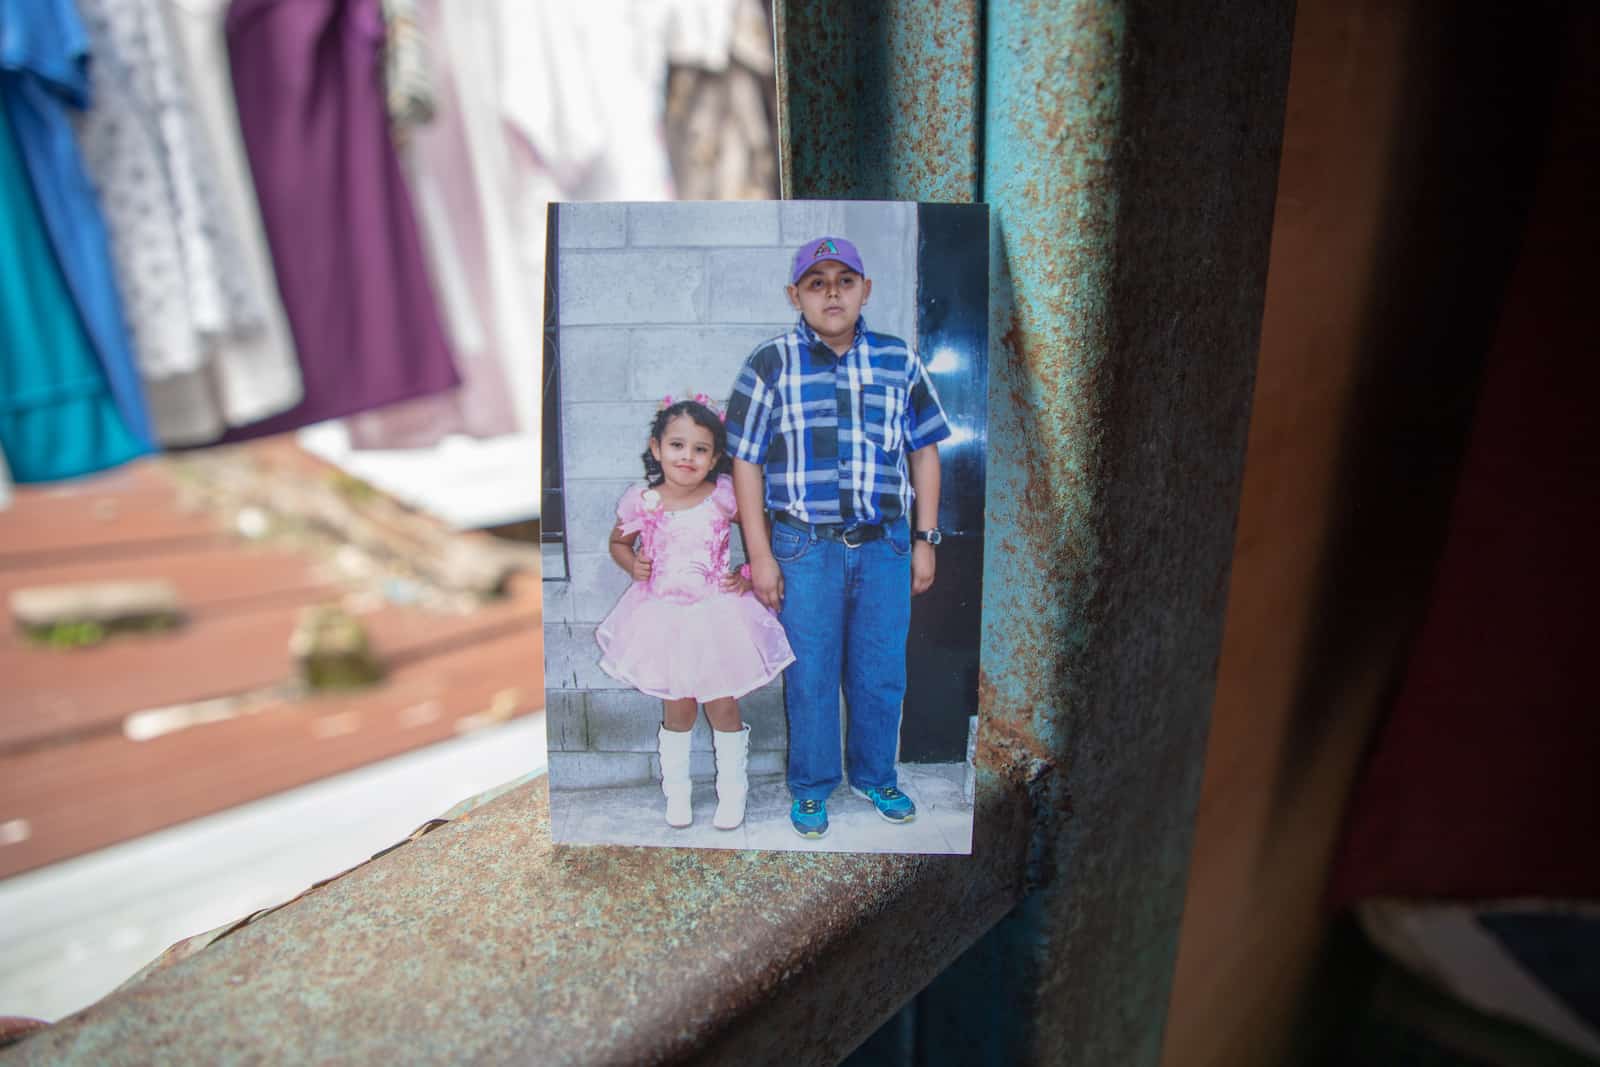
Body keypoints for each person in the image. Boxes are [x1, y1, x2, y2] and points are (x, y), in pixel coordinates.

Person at [725, 236, 951, 840]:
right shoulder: (770, 364)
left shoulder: (898, 361)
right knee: (812, 674)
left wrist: (925, 537)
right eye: (817, 282)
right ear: (794, 295)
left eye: (845, 280)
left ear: (865, 290)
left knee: (881, 671)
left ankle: (877, 776)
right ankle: (812, 787)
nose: (832, 293)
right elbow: (745, 462)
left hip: (885, 548)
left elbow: (924, 452)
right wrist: (761, 555)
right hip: (804, 550)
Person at [596, 396, 795, 831]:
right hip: (662, 617)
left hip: (716, 615)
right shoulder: (643, 502)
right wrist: (634, 564)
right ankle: (678, 794)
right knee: (678, 708)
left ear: (715, 457)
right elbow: (618, 543)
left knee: (723, 705)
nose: (687, 457)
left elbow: (761, 534)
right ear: (656, 447)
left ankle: (733, 794)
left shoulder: (723, 497)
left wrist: (747, 572)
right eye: (677, 445)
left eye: (700, 449)